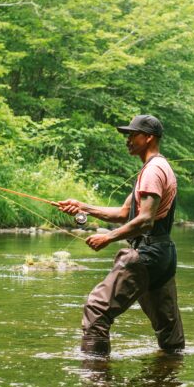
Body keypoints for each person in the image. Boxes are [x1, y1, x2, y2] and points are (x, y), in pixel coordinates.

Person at [56, 114, 184, 356]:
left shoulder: (153, 171)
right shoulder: (156, 168)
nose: (127, 140)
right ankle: (167, 382)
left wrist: (108, 238)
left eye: (132, 135)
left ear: (149, 137)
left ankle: (96, 378)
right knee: (169, 333)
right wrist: (83, 207)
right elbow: (125, 212)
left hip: (147, 254)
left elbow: (145, 220)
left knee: (97, 309)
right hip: (163, 255)